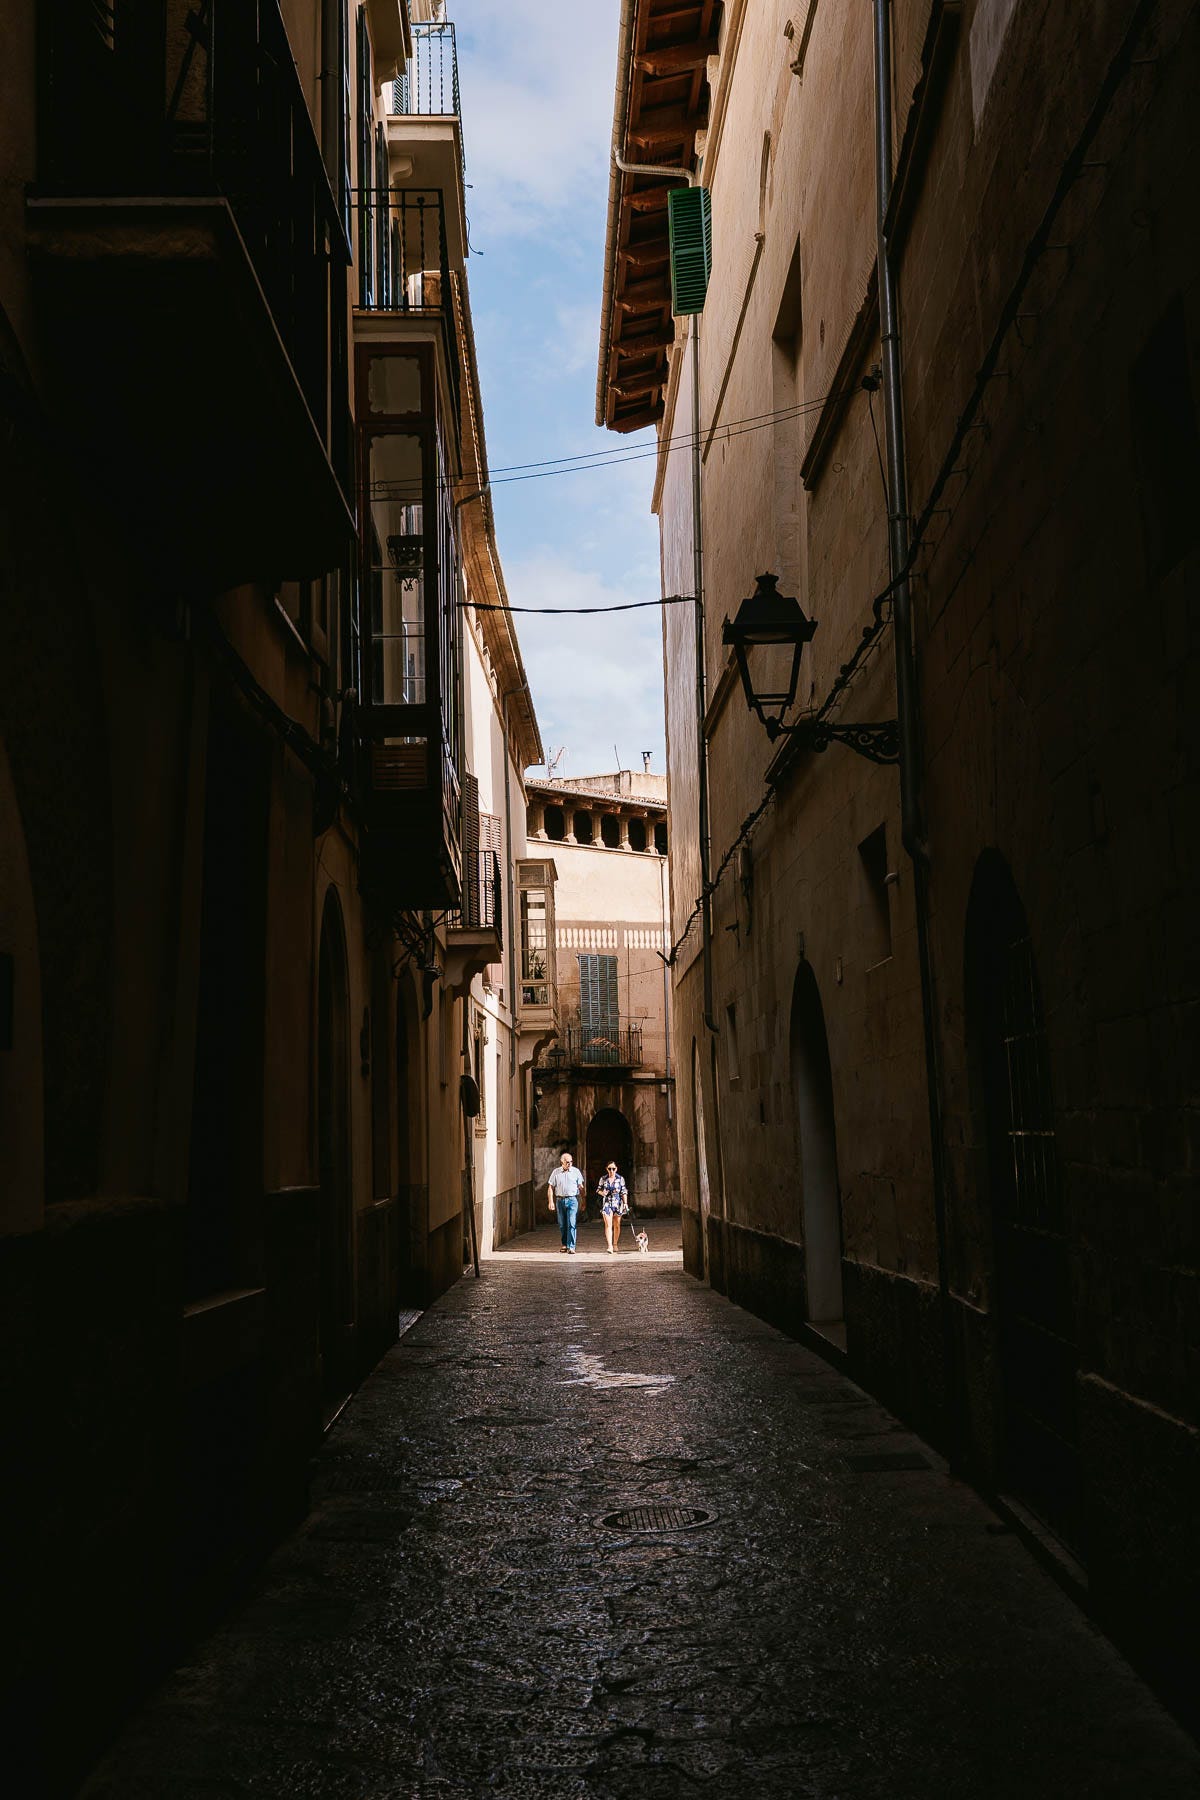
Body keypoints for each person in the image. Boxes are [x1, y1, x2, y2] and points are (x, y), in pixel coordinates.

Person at [547, 1151, 587, 1254]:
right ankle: (564, 1244)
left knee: (571, 1223)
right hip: (560, 1200)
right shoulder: (556, 1172)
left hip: (572, 1200)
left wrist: (583, 1201)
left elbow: (581, 1187)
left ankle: (571, 1246)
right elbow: (551, 1187)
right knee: (562, 1224)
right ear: (562, 1162)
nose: (569, 1164)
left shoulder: (576, 1172)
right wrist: (551, 1201)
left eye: (571, 1162)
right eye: (567, 1162)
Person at [597, 1161, 630, 1254]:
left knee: (617, 1225)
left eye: (613, 1169)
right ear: (607, 1169)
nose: (611, 1171)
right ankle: (610, 1246)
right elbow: (598, 1189)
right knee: (608, 1224)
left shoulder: (620, 1178)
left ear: (616, 1169)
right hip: (607, 1202)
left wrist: (625, 1203)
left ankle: (615, 1244)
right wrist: (602, 1193)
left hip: (618, 1203)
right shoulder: (603, 1179)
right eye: (609, 1169)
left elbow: (624, 1191)